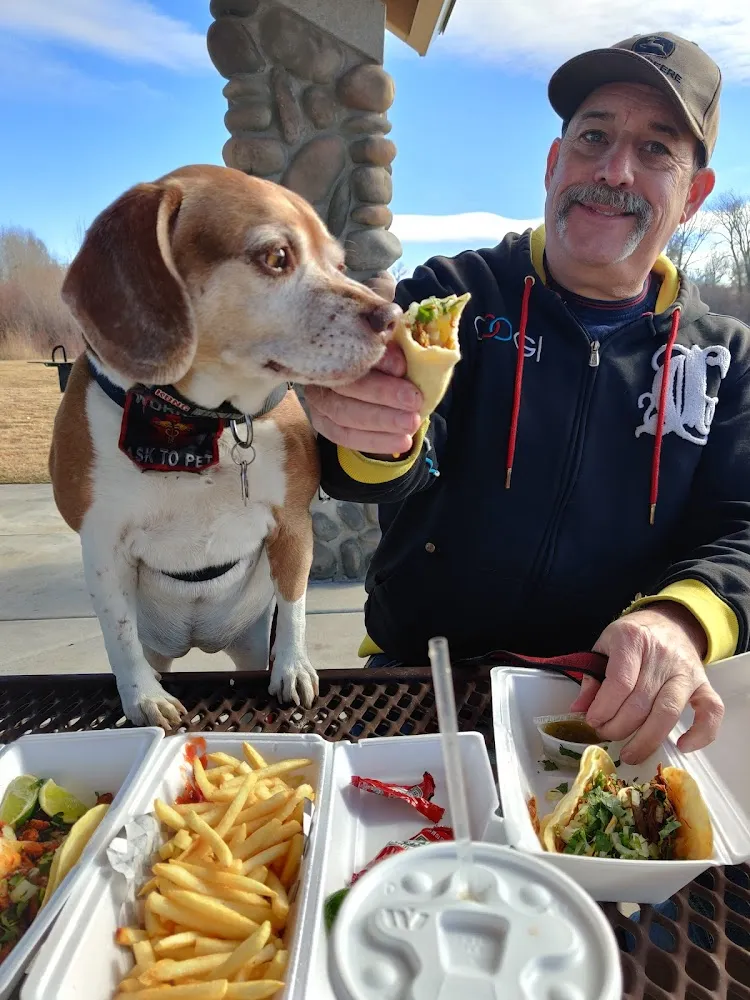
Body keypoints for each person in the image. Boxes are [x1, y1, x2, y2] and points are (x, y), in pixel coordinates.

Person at [306, 32, 749, 766]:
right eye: (593, 137)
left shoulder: (727, 357)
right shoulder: (451, 293)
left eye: (655, 151)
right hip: (422, 676)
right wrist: (370, 427)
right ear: (553, 162)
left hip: (614, 699)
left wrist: (681, 622)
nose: (612, 171)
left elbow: (741, 529)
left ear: (694, 195)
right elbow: (380, 466)